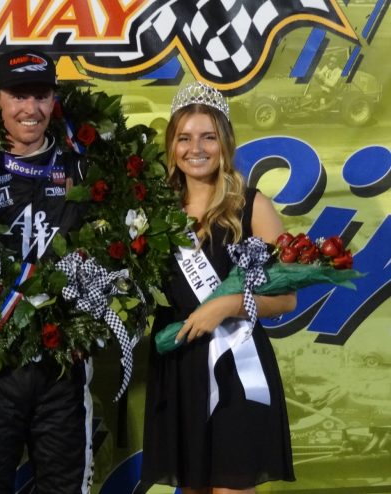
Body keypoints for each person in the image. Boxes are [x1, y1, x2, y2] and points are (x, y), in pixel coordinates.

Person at [139, 82, 296, 494]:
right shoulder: (154, 211)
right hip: (179, 364)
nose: (196, 148)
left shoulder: (253, 206)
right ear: (172, 146)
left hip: (237, 365)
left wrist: (227, 304)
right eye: (184, 138)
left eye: (208, 137)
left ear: (224, 142)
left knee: (231, 487)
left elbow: (286, 297)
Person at [0, 49, 93, 493]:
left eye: (41, 95)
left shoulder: (82, 168)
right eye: (18, 95)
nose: (30, 109)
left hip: (63, 360)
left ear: (54, 100)